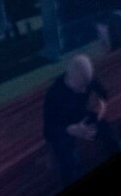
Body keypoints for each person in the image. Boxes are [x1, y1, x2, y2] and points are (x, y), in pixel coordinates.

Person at [42, 54, 113, 183]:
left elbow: (103, 93)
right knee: (70, 161)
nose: (84, 90)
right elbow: (48, 130)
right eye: (81, 86)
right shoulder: (54, 94)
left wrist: (101, 106)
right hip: (63, 128)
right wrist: (70, 130)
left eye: (87, 85)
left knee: (108, 131)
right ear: (70, 79)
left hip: (82, 118)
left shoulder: (86, 78)